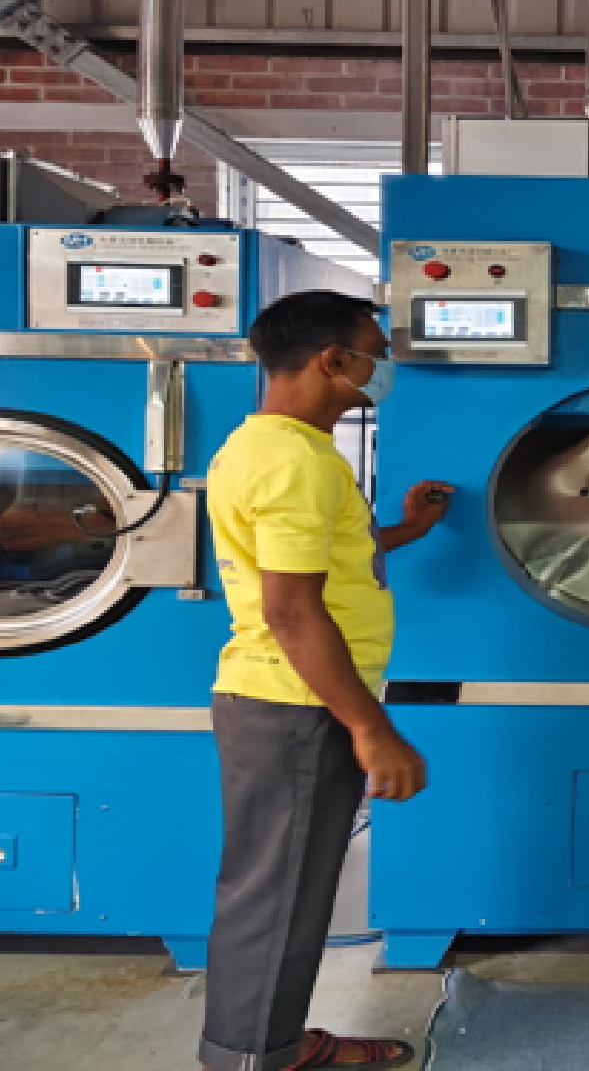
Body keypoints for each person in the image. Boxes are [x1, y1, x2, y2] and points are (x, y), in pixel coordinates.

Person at [198, 289, 453, 1071]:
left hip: (285, 699)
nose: (384, 366)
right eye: (376, 352)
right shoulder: (295, 463)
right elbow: (292, 610)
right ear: (333, 360)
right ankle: (254, 1056)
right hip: (296, 705)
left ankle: (270, 1042)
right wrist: (372, 728)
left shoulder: (269, 447)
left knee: (283, 890)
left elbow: (321, 555)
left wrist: (407, 529)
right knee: (277, 897)